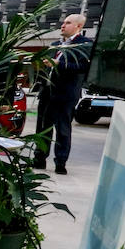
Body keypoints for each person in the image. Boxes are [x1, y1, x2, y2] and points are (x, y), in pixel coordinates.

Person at [34, 12, 92, 175]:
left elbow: (82, 68)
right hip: (47, 92)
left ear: (78, 26)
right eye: (63, 22)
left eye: (67, 23)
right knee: (43, 128)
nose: (63, 25)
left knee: (63, 129)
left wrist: (60, 64)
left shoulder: (84, 45)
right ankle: (39, 158)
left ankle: (60, 162)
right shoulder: (54, 44)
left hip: (66, 94)